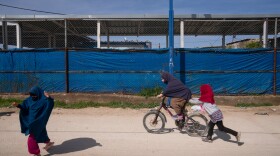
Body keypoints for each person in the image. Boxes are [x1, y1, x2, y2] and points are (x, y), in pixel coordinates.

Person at [12, 86, 54, 156]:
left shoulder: (44, 100)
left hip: (39, 121)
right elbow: (24, 108)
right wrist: (18, 105)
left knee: (32, 137)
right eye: (31, 95)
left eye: (34, 95)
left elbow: (50, 105)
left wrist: (49, 98)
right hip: (31, 121)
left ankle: (36, 153)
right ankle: (48, 143)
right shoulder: (29, 100)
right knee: (42, 131)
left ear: (38, 93)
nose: (33, 96)